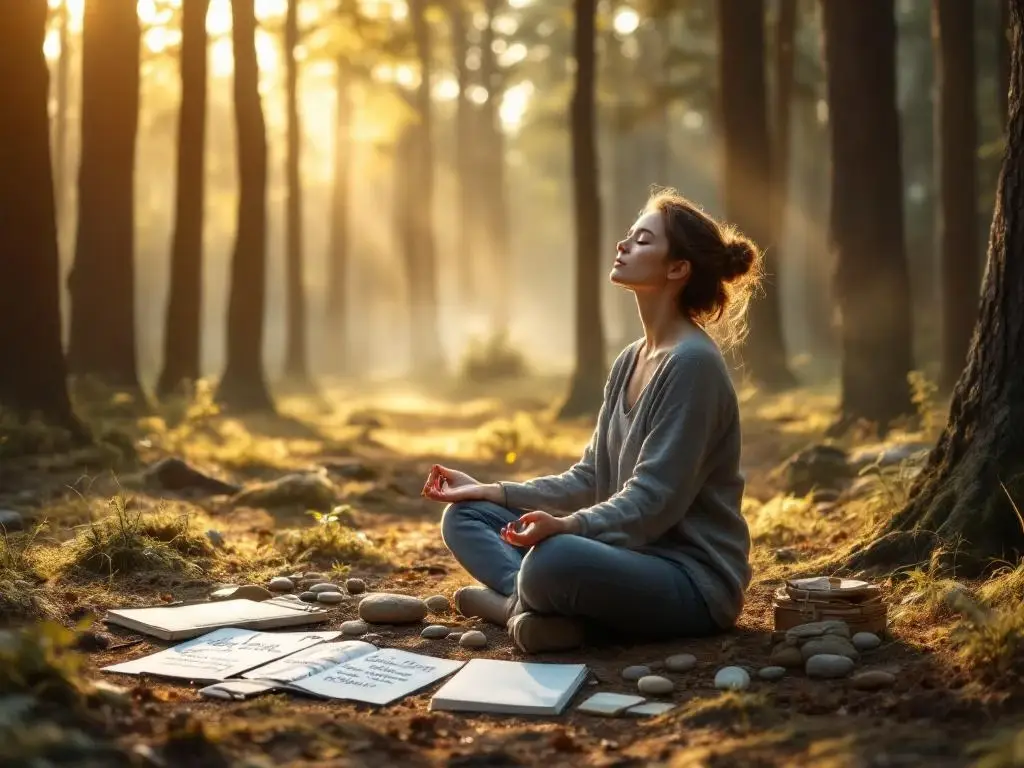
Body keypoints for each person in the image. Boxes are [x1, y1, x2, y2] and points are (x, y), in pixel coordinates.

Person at [422, 189, 756, 654]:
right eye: (628, 236)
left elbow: (652, 503)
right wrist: (489, 491)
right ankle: (538, 611)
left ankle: (512, 606)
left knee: (551, 559)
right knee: (464, 517)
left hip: (689, 581)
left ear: (678, 268)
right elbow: (591, 478)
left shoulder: (693, 365)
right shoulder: (630, 361)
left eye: (642, 240)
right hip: (622, 557)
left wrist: (569, 528)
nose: (623, 245)